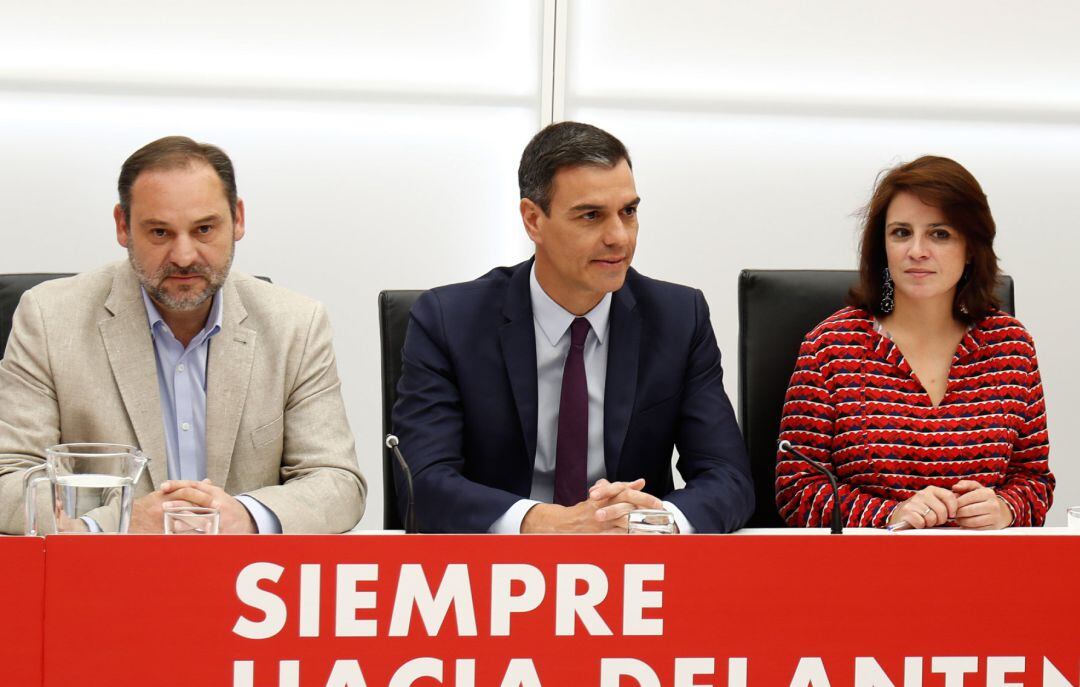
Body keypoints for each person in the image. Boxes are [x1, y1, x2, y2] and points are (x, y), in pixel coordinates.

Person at [392, 121, 754, 533]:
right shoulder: (449, 321)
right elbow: (423, 482)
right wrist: (541, 522)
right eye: (591, 216)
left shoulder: (678, 317)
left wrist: (648, 523)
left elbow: (729, 478)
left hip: (637, 571)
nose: (619, 237)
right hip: (494, 576)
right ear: (533, 220)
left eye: (629, 212)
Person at [0, 136, 366, 534]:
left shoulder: (296, 324)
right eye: (160, 233)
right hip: (104, 581)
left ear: (238, 219)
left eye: (204, 229)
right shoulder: (51, 318)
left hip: (245, 583)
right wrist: (122, 521)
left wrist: (245, 515)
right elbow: (8, 482)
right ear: (123, 227)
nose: (184, 256)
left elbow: (337, 482)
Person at [776, 156, 1053, 530]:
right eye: (901, 233)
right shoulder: (829, 347)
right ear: (882, 247)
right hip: (865, 571)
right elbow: (796, 491)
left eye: (940, 234)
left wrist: (1007, 508)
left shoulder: (1011, 346)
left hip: (984, 570)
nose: (917, 250)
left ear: (971, 247)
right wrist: (890, 514)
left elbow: (1034, 480)